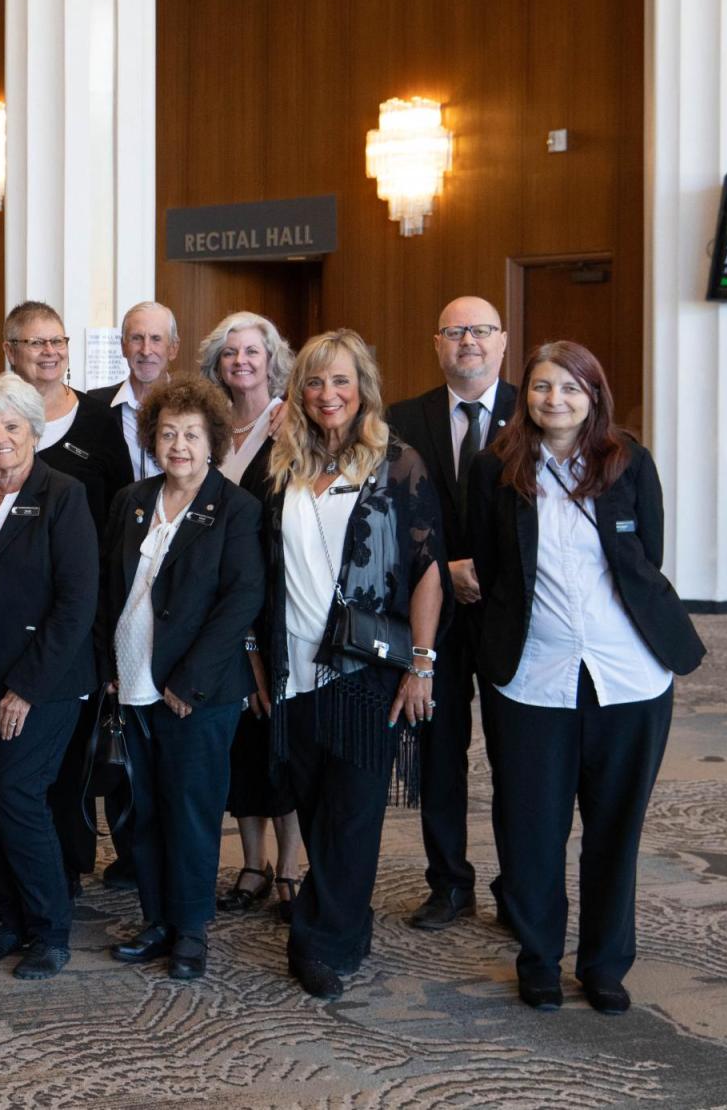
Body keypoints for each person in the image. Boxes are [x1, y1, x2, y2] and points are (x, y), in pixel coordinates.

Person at [463, 341, 704, 1014]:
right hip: (533, 678)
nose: (554, 401)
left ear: (593, 396)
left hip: (630, 677)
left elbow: (646, 556)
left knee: (614, 829)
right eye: (541, 388)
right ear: (525, 397)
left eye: (571, 389)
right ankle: (538, 960)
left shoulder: (628, 462)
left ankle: (603, 965)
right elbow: (490, 569)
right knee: (534, 830)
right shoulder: (496, 470)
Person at [255, 330, 442, 1001]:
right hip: (294, 668)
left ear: (362, 386)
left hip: (367, 670)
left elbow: (427, 572)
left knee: (352, 812)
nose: (327, 395)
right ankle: (347, 920)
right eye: (313, 382)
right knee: (313, 803)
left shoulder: (398, 463)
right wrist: (256, 656)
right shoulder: (279, 466)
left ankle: (319, 942)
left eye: (340, 381)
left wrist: (422, 665)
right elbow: (258, 567)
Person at [101, 377, 264, 982]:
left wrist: (188, 682)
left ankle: (191, 930)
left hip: (198, 693)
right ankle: (157, 920)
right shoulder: (132, 499)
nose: (179, 446)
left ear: (212, 439)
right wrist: (111, 669)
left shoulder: (236, 508)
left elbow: (242, 598)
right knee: (143, 810)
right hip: (133, 679)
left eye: (191, 435)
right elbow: (111, 590)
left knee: (191, 811)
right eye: (167, 433)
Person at [0, 374, 98, 981]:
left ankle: (50, 928)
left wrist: (27, 686)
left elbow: (77, 602)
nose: (0, 438)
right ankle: (7, 920)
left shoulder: (64, 494)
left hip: (39, 682)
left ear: (35, 431)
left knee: (18, 797)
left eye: (12, 426)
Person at [385, 296, 517, 931]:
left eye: (481, 331)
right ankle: (449, 884)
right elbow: (393, 519)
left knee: (519, 759)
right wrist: (446, 568)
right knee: (439, 753)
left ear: (503, 342)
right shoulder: (401, 419)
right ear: (438, 344)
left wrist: (481, 571)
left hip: (513, 618)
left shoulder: (535, 410)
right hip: (431, 613)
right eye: (455, 332)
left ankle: (520, 889)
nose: (469, 341)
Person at [0, 300, 121, 895]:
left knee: (74, 749)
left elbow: (122, 513)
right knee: (14, 752)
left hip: (80, 611)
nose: (49, 352)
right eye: (34, 342)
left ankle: (69, 866)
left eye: (57, 341)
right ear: (10, 352)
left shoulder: (100, 422)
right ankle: (16, 869)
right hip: (9, 617)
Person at [198, 310, 303, 920]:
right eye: (231, 353)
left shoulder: (291, 422)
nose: (241, 361)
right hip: (222, 606)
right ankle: (252, 861)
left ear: (272, 360)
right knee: (237, 740)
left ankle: (290, 864)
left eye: (252, 352)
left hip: (280, 600)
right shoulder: (209, 428)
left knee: (279, 734)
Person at [81, 300, 182, 891]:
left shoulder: (197, 409)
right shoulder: (94, 412)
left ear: (173, 347)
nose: (145, 350)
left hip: (177, 584)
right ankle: (128, 847)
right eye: (135, 339)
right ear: (122, 346)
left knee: (168, 715)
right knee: (116, 717)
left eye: (156, 340)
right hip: (114, 580)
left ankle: (170, 849)